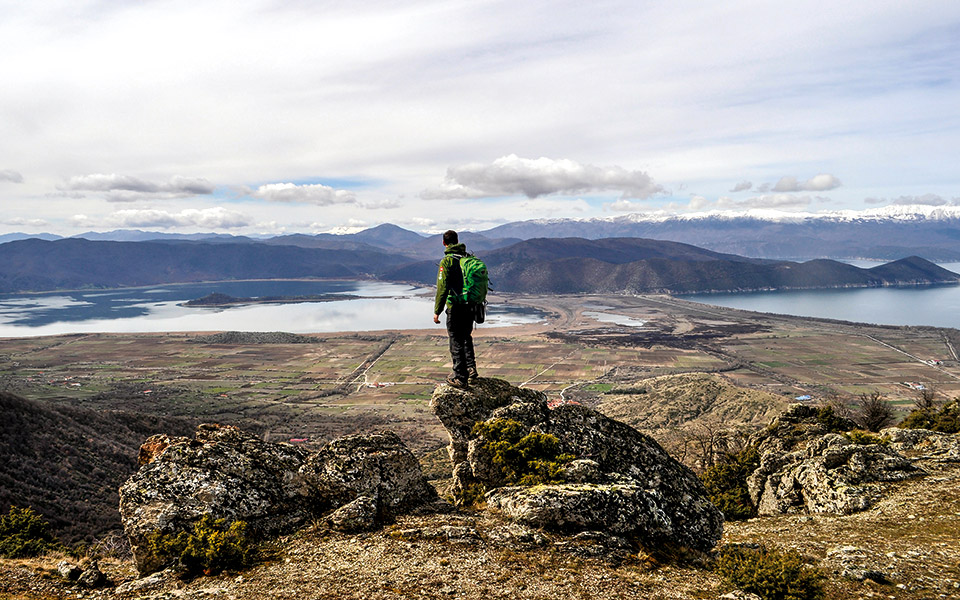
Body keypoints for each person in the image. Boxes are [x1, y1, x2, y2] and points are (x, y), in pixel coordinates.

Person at [433, 230, 478, 388]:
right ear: (457, 241)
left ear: (444, 243)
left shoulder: (447, 261)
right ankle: (471, 370)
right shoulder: (467, 258)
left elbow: (442, 288)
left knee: (455, 339)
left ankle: (460, 377)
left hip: (456, 307)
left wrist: (437, 311)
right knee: (466, 337)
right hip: (471, 306)